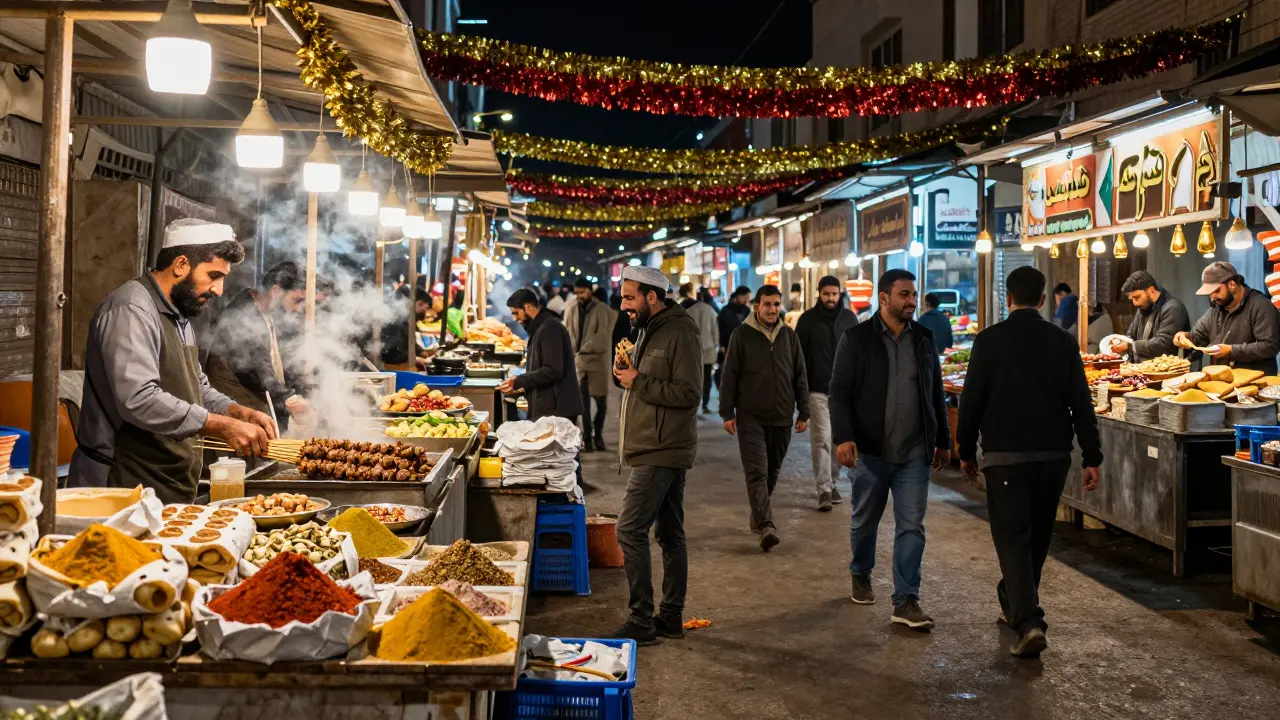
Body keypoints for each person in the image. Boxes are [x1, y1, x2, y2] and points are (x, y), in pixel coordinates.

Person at [68, 219, 276, 503]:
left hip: (162, 479)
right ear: (180, 265)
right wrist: (220, 425)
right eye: (213, 275)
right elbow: (138, 399)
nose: (219, 290)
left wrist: (235, 411)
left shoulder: (179, 316)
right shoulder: (132, 310)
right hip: (121, 483)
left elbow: (195, 386)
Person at [957, 266, 1102, 658]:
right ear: (1042, 300)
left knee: (1012, 539)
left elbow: (971, 401)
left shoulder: (988, 341)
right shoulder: (1062, 341)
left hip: (1005, 458)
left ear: (1008, 298)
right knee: (1037, 538)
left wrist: (965, 450)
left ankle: (1029, 620)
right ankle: (1014, 599)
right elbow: (1081, 402)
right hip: (1053, 457)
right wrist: (1092, 455)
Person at [829, 269, 950, 631]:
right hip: (871, 450)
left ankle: (905, 599)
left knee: (911, 525)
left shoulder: (924, 339)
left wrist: (943, 439)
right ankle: (860, 571)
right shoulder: (857, 338)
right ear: (884, 299)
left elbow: (934, 393)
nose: (912, 301)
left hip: (914, 451)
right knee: (865, 521)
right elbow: (840, 391)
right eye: (904, 295)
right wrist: (843, 436)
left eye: (914, 295)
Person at [612, 265, 703, 645]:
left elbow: (689, 393)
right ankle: (670, 617)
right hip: (655, 442)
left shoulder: (681, 331)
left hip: (662, 447)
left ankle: (641, 619)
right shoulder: (650, 329)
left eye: (630, 297)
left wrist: (640, 381)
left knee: (629, 529)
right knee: (669, 533)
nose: (624, 306)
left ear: (652, 296)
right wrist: (630, 371)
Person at [719, 285, 809, 552]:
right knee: (757, 471)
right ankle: (766, 524)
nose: (772, 309)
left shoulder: (789, 337)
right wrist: (727, 412)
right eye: (767, 304)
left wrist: (804, 410)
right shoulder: (741, 335)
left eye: (776, 304)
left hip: (782, 416)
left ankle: (758, 512)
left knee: (772, 472)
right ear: (756, 305)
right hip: (751, 417)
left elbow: (800, 375)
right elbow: (729, 375)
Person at [205, 261, 306, 429]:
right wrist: (290, 400)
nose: (298, 309)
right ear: (276, 292)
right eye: (297, 300)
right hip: (234, 411)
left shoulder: (267, 312)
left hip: (251, 404)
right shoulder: (242, 315)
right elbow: (260, 370)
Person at [796, 276, 858, 511]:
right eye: (826, 294)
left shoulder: (850, 319)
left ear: (839, 293)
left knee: (838, 441)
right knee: (821, 439)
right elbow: (799, 358)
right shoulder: (807, 320)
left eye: (833, 294)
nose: (830, 299)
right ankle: (823, 488)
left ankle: (832, 482)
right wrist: (800, 393)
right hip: (818, 390)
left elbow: (858, 354)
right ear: (819, 294)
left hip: (845, 393)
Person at [1174, 261, 1280, 374]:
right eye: (1210, 293)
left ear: (1232, 284)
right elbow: (1196, 336)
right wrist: (1184, 337)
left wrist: (1231, 350)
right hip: (1223, 382)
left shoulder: (1261, 306)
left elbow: (1270, 346)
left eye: (1216, 290)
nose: (1213, 297)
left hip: (1257, 383)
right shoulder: (1216, 309)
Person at [497, 289, 583, 423]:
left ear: (528, 307)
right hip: (549, 406)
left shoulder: (550, 328)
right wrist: (520, 387)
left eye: (516, 313)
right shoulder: (539, 327)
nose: (516, 318)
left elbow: (553, 370)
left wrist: (520, 381)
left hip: (557, 410)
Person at [563, 277, 614, 452]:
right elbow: (567, 332)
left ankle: (598, 434)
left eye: (582, 292)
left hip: (597, 362)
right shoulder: (570, 308)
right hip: (579, 363)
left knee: (601, 403)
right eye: (576, 293)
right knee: (583, 404)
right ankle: (587, 438)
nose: (579, 296)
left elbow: (604, 337)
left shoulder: (603, 310)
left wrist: (584, 349)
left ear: (590, 291)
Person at [1113, 271, 1190, 362]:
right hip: (1142, 369)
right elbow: (1131, 334)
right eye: (1132, 299)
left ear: (1151, 290)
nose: (1134, 303)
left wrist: (1130, 346)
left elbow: (1163, 343)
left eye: (1137, 297)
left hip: (1166, 370)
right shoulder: (1143, 306)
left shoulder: (1173, 308)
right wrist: (1120, 342)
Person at [683, 286, 719, 414]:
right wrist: (716, 344)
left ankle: (692, 403)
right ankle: (705, 403)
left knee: (693, 378)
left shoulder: (689, 311)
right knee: (707, 379)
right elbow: (715, 332)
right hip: (708, 350)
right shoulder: (711, 311)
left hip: (692, 350)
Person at [716, 286, 751, 388]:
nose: (747, 300)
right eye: (745, 297)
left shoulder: (747, 311)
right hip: (728, 347)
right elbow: (720, 329)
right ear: (738, 297)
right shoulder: (724, 312)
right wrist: (721, 346)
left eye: (748, 298)